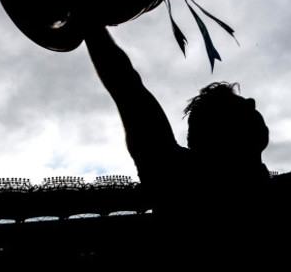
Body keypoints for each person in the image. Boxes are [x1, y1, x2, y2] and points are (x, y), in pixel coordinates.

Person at [85, 26, 271, 262]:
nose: (252, 103)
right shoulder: (175, 174)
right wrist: (90, 25)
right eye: (240, 105)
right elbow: (125, 85)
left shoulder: (267, 190)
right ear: (219, 132)